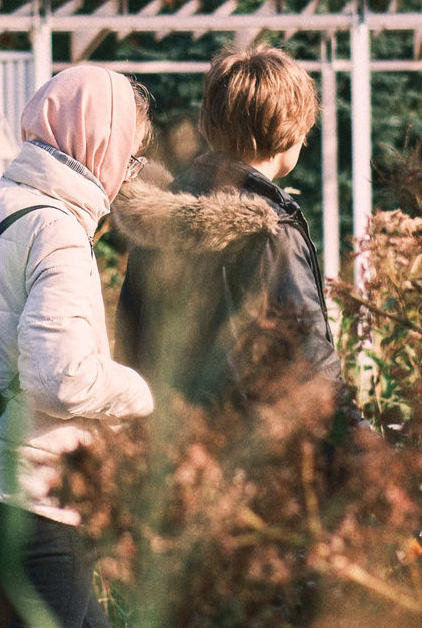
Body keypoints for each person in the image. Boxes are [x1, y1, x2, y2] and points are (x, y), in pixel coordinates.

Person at [0, 65, 156, 628]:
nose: (131, 169)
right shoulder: (57, 228)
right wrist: (145, 393)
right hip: (30, 505)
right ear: (98, 139)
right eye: (131, 152)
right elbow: (60, 376)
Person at [113, 41, 343, 410]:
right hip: (247, 451)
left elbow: (131, 345)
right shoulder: (270, 229)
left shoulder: (156, 215)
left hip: (167, 447)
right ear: (293, 129)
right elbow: (313, 367)